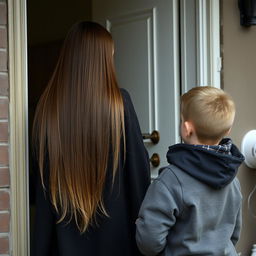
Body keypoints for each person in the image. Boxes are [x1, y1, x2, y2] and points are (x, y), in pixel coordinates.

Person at [31, 21, 151, 256]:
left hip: (62, 243)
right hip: (117, 242)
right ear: (102, 60)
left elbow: (40, 183)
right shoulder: (119, 104)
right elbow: (138, 176)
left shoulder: (47, 108)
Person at [136, 86, 245, 256]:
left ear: (187, 128)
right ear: (227, 130)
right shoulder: (233, 179)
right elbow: (233, 233)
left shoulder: (170, 180)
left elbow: (149, 242)